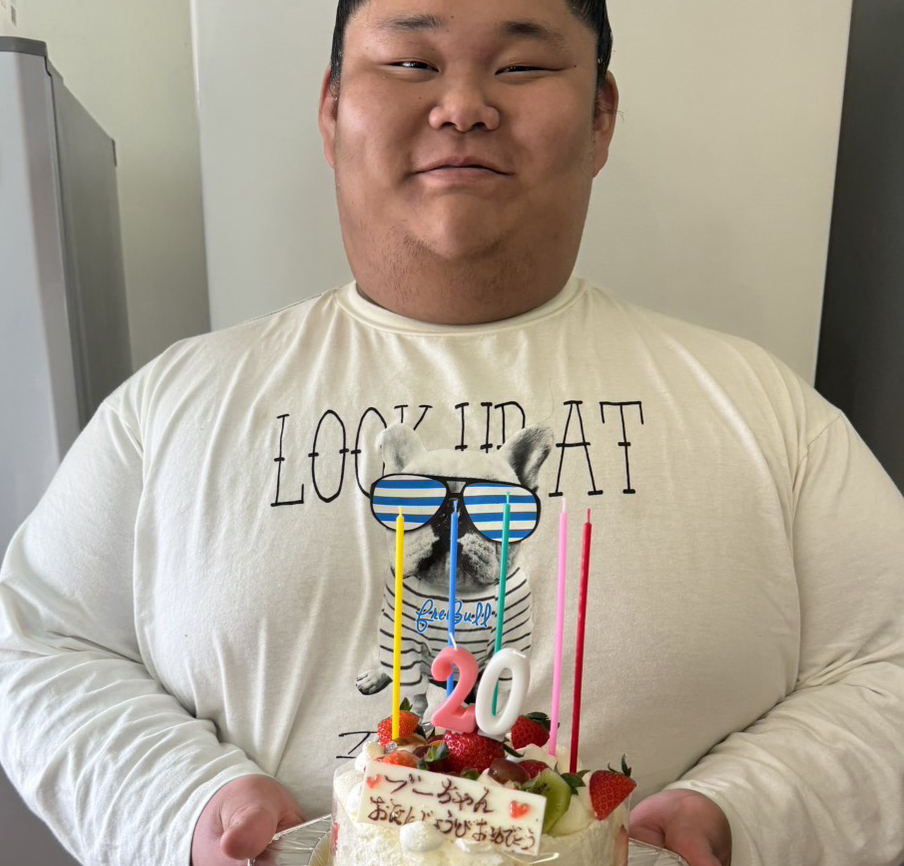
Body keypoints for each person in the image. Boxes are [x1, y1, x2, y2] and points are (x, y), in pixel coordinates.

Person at [1, 1, 902, 865]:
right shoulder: (173, 406)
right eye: (410, 62)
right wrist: (188, 804)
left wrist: (745, 814)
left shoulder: (762, 410)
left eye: (522, 64)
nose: (463, 106)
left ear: (600, 116)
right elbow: (37, 644)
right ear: (332, 106)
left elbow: (889, 661)